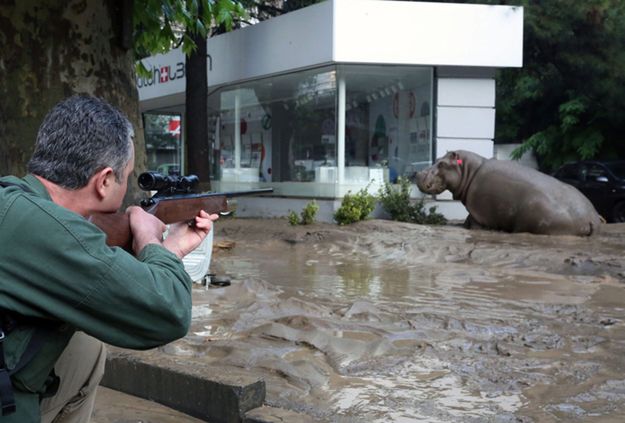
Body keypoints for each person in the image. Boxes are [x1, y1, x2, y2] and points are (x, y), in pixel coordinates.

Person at [0, 95, 219, 422]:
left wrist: (168, 249)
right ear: (103, 181)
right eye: (127, 175)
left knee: (84, 351)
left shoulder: (14, 198)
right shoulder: (54, 234)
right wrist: (147, 236)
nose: (128, 183)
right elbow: (169, 312)